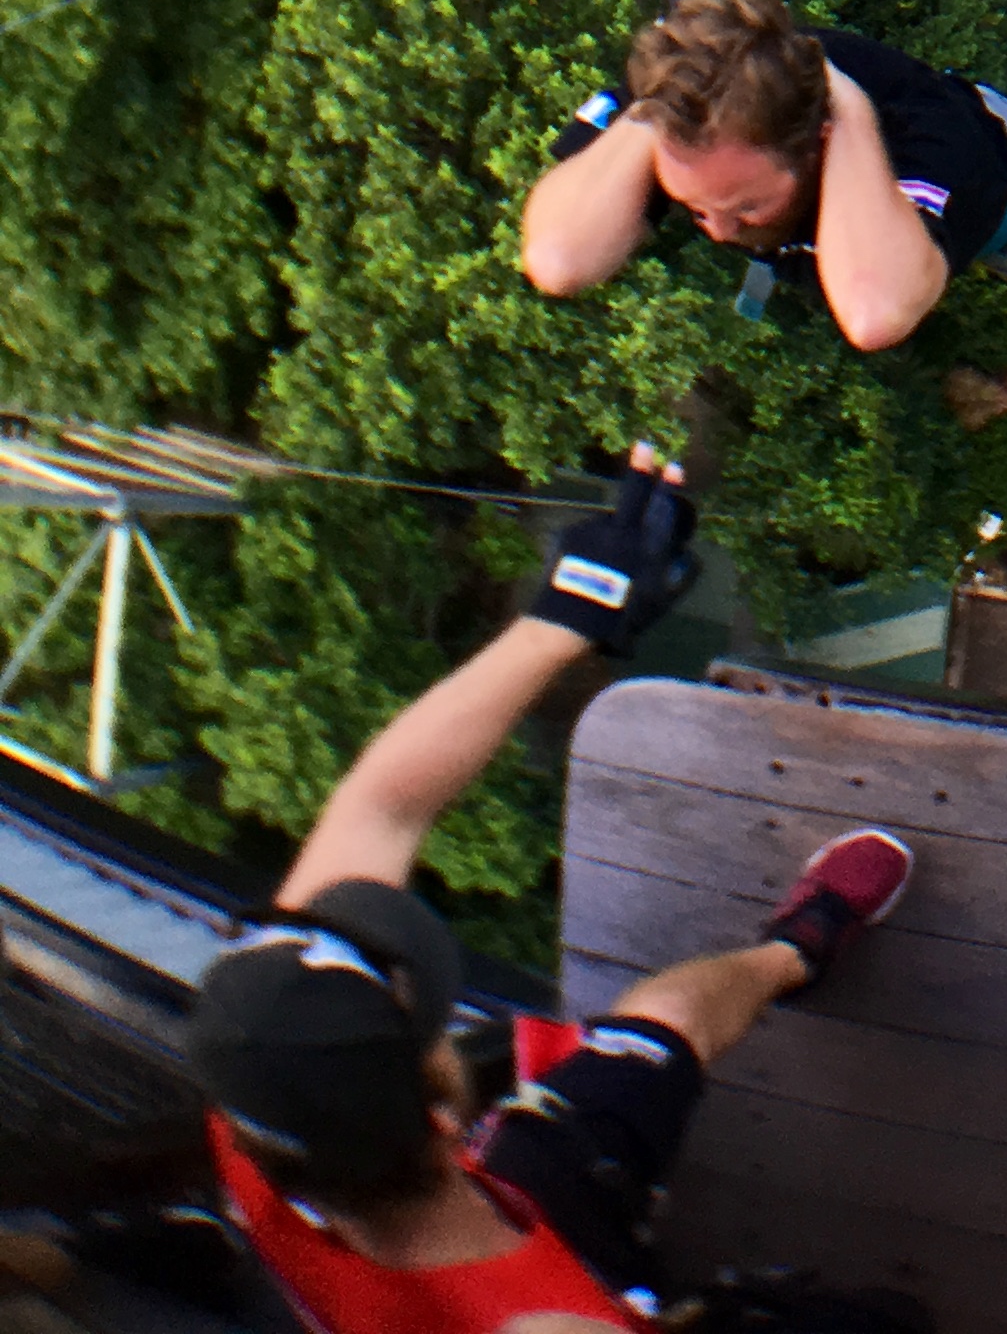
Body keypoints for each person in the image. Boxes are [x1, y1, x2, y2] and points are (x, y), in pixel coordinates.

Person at [4, 457, 921, 1333]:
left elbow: (378, 810)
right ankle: (798, 944)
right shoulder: (559, 1302)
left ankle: (795, 949)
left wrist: (568, 614)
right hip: (563, 1220)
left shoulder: (267, 1129)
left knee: (653, 1029)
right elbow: (381, 815)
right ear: (448, 1121)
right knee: (662, 1025)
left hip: (402, 1240)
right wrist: (571, 618)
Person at [521, 0, 1007, 349]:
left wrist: (848, 110)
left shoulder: (933, 151)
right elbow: (556, 260)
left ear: (816, 142)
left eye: (746, 208)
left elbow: (877, 313)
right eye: (693, 206)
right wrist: (653, 112)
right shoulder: (698, 119)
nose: (717, 230)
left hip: (1005, 182)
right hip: (870, 222)